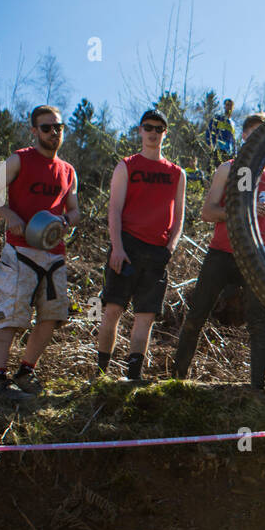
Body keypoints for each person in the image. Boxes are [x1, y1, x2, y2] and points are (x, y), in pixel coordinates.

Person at [172, 114, 265, 389]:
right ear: (244, 137)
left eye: (263, 133)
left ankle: (256, 391)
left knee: (258, 323)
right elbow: (207, 212)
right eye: (252, 133)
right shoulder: (227, 169)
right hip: (222, 253)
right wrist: (240, 212)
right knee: (196, 316)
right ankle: (176, 382)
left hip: (255, 258)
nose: (257, 138)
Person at [0, 104, 79, 397]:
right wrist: (11, 217)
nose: (53, 133)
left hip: (54, 254)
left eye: (58, 127)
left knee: (51, 316)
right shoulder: (20, 159)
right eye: (46, 128)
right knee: (10, 315)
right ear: (34, 131)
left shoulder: (69, 170)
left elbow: (75, 212)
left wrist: (64, 221)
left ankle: (26, 372)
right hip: (19, 252)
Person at [96, 109, 186, 381]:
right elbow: (114, 209)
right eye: (148, 127)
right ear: (140, 130)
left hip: (157, 253)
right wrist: (117, 247)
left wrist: (170, 247)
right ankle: (101, 374)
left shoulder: (177, 173)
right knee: (112, 310)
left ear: (165, 134)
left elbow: (180, 216)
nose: (153, 132)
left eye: (159, 128)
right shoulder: (127, 165)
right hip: (127, 248)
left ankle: (133, 377)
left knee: (145, 317)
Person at [205, 98, 237, 168]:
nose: (229, 107)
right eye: (227, 105)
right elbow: (209, 131)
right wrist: (210, 144)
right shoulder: (218, 118)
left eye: (231, 105)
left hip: (228, 153)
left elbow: (234, 139)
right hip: (218, 149)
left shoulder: (233, 124)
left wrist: (235, 152)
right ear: (224, 106)